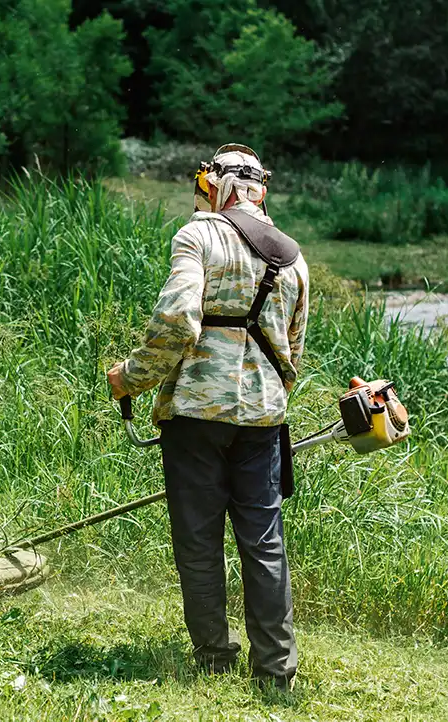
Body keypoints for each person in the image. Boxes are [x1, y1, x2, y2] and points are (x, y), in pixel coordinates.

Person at [106, 144, 309, 692]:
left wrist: (132, 375)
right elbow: (294, 349)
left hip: (195, 414)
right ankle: (275, 672)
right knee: (264, 542)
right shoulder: (293, 257)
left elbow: (177, 320)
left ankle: (216, 658)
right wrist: (265, 395)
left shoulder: (198, 236)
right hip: (264, 418)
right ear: (260, 188)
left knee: (198, 539)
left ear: (215, 187)